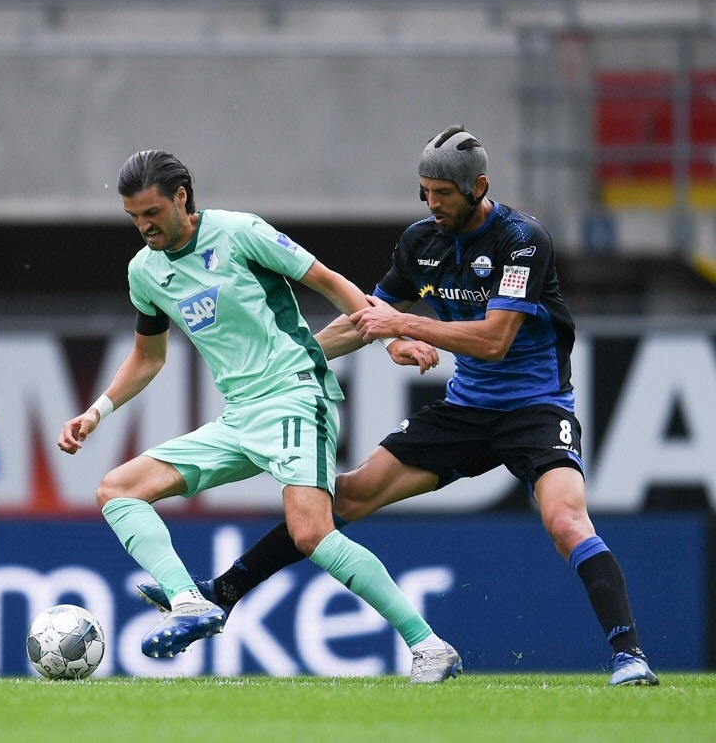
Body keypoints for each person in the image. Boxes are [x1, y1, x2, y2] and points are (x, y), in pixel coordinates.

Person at [137, 127, 660, 687]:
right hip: (466, 409)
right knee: (347, 495)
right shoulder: (421, 241)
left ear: (479, 186)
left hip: (536, 408)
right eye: (424, 193)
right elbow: (364, 319)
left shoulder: (522, 240)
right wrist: (291, 363)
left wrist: (402, 324)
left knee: (564, 520)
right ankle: (224, 592)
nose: (432, 205)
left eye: (443, 195)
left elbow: (494, 340)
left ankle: (629, 657)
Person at [58, 150, 461, 683]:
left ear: (181, 197)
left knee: (311, 532)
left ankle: (429, 646)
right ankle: (190, 603)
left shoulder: (239, 232)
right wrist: (97, 410)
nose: (144, 226)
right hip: (240, 415)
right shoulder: (145, 272)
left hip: (296, 395)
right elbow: (148, 358)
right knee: (117, 490)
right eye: (134, 216)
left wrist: (392, 335)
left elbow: (329, 281)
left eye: (152, 212)